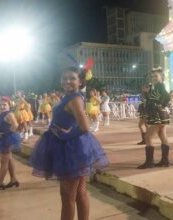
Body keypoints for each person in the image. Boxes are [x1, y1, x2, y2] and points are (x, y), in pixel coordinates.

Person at [30, 66, 108, 220]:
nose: (67, 81)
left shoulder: (74, 98)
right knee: (79, 193)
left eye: (72, 78)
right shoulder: (69, 97)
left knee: (67, 196)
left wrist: (66, 135)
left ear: (80, 82)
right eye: (64, 77)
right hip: (73, 148)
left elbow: (85, 126)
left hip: (70, 148)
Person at [138, 67, 170, 169]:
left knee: (148, 137)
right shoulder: (156, 88)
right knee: (162, 136)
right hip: (161, 115)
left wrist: (163, 104)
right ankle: (164, 161)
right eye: (152, 76)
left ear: (161, 77)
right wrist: (147, 93)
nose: (153, 78)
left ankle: (149, 162)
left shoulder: (160, 87)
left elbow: (167, 96)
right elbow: (151, 100)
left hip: (158, 115)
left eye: (156, 76)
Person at [0, 96, 21, 191]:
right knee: (9, 159)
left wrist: (6, 134)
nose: (2, 106)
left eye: (4, 105)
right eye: (0, 105)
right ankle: (13, 179)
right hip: (3, 138)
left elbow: (15, 125)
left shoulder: (9, 114)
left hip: (6, 139)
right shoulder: (2, 113)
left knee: (4, 162)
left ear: (9, 105)